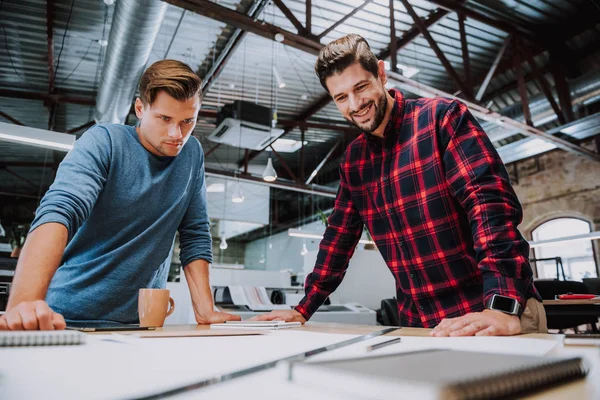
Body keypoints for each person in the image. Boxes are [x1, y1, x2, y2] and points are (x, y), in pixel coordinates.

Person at [253, 34, 546, 336]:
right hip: (419, 326)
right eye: (341, 98)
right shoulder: (354, 162)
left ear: (380, 73)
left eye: (361, 87)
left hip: (488, 316)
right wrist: (303, 308)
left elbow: (490, 206)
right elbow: (338, 239)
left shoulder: (441, 120)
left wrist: (502, 303)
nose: (355, 104)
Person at [0, 60, 240, 330]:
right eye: (164, 119)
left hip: (141, 323)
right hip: (69, 317)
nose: (177, 134)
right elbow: (61, 210)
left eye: (188, 121)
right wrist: (24, 301)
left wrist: (206, 310)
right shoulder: (104, 141)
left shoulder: (192, 154)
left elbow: (195, 232)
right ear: (140, 108)